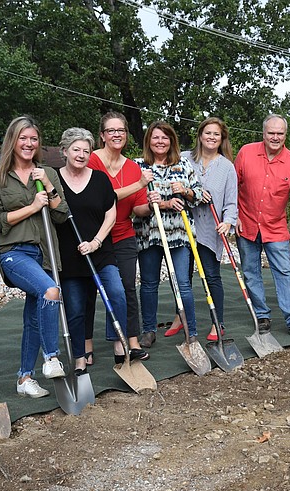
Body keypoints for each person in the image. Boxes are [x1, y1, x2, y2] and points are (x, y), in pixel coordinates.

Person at [0, 116, 68, 399]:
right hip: (13, 251)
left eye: (33, 139)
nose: (29, 143)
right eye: (23, 138)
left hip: (44, 252)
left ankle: (24, 378)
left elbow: (60, 213)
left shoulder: (46, 173)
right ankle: (51, 358)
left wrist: (47, 182)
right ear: (13, 140)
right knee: (50, 291)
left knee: (35, 315)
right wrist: (33, 206)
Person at [55, 127, 130, 374]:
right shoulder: (53, 179)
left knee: (117, 293)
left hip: (100, 251)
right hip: (70, 255)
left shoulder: (99, 179)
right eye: (76, 149)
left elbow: (111, 212)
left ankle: (119, 344)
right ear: (64, 151)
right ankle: (79, 358)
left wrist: (97, 241)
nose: (81, 154)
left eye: (86, 150)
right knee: (75, 309)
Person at [234, 114, 290, 337]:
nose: (275, 137)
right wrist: (233, 215)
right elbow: (233, 186)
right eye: (271, 133)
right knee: (250, 272)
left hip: (275, 226)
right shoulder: (246, 152)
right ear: (263, 133)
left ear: (285, 135)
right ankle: (262, 315)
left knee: (284, 271)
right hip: (246, 223)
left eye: (280, 133)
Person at [87, 112, 151, 359]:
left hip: (123, 233)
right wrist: (139, 185)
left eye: (121, 131)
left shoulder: (133, 167)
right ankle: (86, 347)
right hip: (94, 236)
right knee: (88, 292)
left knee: (126, 288)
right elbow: (100, 197)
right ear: (102, 135)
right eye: (111, 131)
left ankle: (131, 342)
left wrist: (153, 204)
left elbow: (138, 208)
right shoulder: (91, 161)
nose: (117, 135)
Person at [133, 121, 204, 343]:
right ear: (148, 141)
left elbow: (201, 194)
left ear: (171, 141)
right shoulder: (138, 167)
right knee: (149, 283)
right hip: (149, 233)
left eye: (165, 138)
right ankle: (148, 331)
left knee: (183, 283)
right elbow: (132, 201)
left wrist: (186, 191)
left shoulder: (183, 164)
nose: (160, 142)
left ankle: (190, 333)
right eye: (155, 137)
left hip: (180, 234)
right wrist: (162, 203)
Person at [181, 117, 237, 341]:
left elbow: (232, 202)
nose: (212, 137)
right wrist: (190, 191)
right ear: (200, 136)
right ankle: (181, 317)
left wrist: (228, 221)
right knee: (182, 276)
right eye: (208, 133)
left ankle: (218, 323)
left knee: (211, 276)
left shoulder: (226, 167)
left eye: (216, 134)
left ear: (222, 138)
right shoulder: (184, 159)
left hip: (209, 228)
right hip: (183, 227)